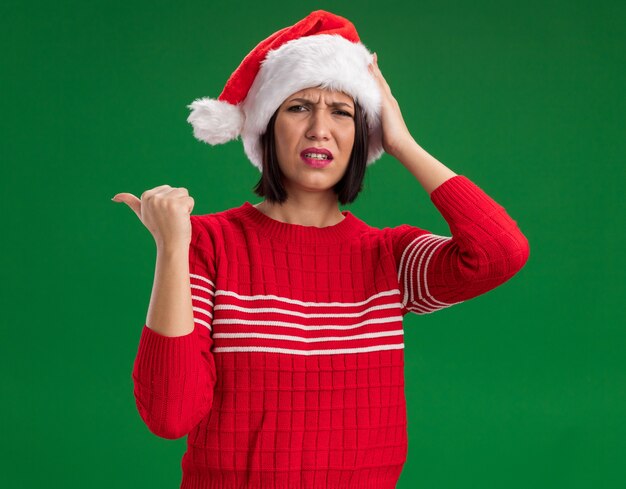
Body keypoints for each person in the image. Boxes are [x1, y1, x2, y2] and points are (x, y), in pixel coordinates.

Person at [112, 10, 530, 489]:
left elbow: (500, 252)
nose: (319, 129)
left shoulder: (389, 257)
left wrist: (402, 142)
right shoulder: (206, 243)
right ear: (266, 127)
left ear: (363, 135)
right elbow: (169, 415)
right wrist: (172, 248)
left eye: (342, 112)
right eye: (298, 107)